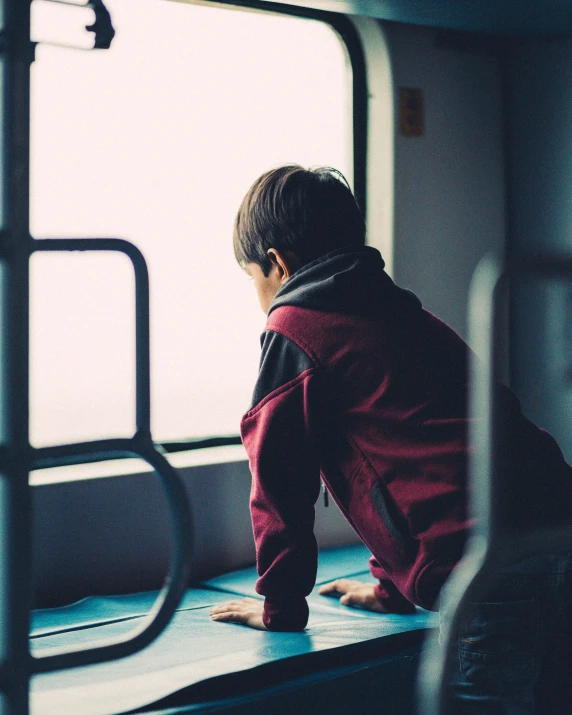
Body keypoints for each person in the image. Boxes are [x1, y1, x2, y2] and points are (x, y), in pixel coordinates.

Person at [210, 164, 572, 712]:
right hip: (556, 523)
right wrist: (392, 588)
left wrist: (279, 606)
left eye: (254, 280)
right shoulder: (398, 312)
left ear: (278, 266)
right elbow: (404, 460)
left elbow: (279, 481)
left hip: (486, 561)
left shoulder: (293, 328)